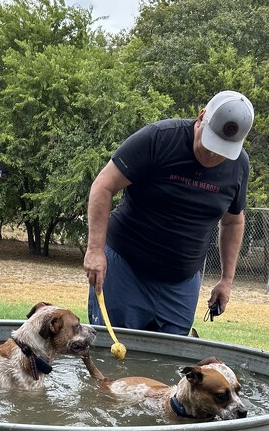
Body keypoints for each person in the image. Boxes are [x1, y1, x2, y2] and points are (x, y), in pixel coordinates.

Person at [83, 90, 253, 336]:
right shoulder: (160, 139)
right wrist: (95, 250)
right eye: (211, 144)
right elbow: (103, 185)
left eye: (223, 151)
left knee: (170, 363)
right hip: (126, 269)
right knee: (113, 355)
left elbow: (233, 221)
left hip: (181, 283)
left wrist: (227, 280)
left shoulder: (239, 165)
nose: (214, 155)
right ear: (201, 117)